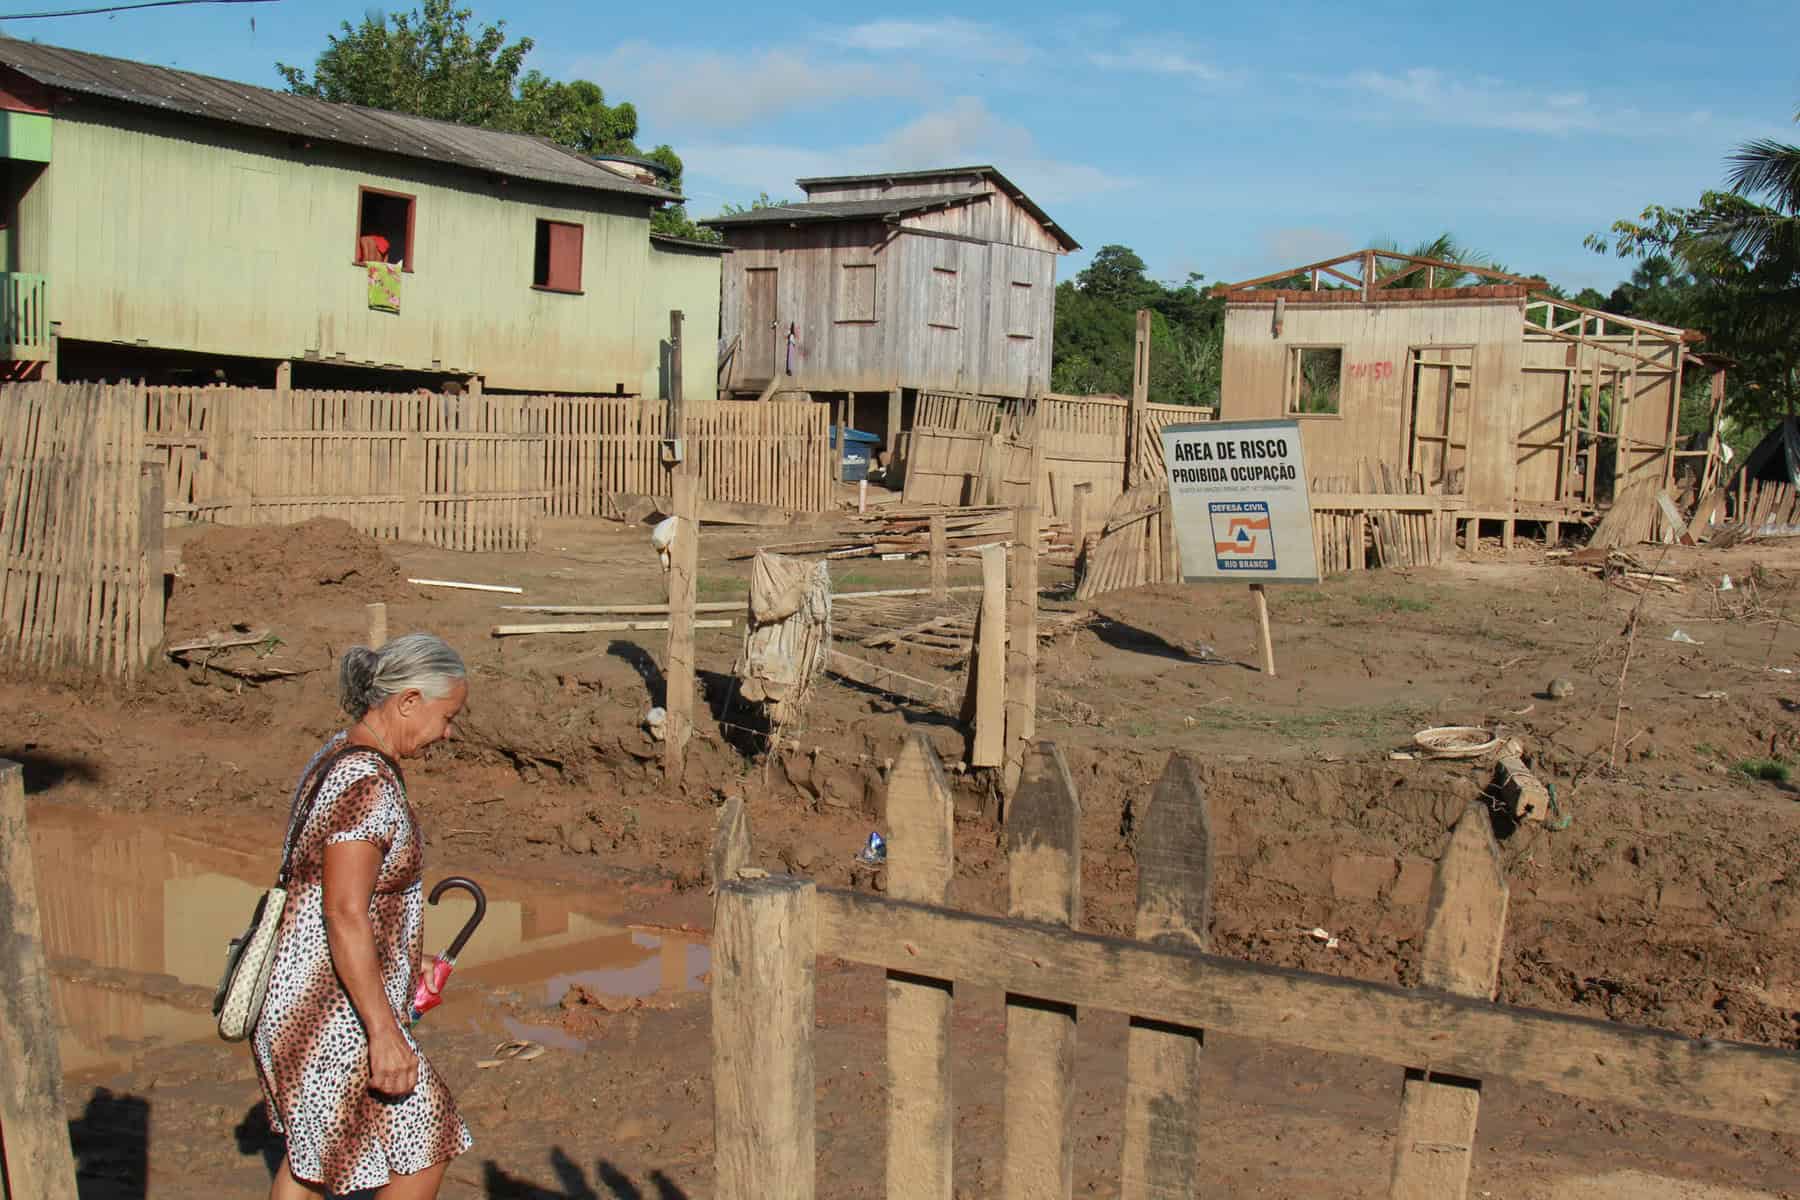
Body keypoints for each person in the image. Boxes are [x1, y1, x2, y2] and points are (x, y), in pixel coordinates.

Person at [254, 633, 472, 1199]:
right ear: (408, 701)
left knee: (314, 1161)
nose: (448, 732)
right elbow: (344, 912)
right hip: (330, 1016)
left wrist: (403, 955)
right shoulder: (368, 784)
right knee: (426, 1143)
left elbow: (344, 900)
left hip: (314, 1002)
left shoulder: (339, 753)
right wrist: (383, 1032)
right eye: (447, 716)